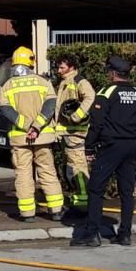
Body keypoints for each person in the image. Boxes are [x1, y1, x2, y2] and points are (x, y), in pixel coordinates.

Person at [71, 56, 136, 247]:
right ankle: (125, 234)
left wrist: (89, 146)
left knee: (96, 188)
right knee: (127, 192)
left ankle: (91, 234)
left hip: (112, 147)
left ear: (113, 74)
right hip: (131, 146)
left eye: (109, 71)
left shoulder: (106, 93)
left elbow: (96, 124)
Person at [0, 46, 65, 222]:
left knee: (23, 174)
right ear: (31, 63)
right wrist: (36, 127)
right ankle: (56, 210)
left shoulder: (6, 86)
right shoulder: (43, 83)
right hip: (42, 136)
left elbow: (6, 110)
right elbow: (50, 106)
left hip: (20, 139)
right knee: (47, 171)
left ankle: (27, 213)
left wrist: (26, 126)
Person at [54, 54, 95, 211]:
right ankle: (78, 200)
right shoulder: (66, 81)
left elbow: (90, 97)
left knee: (78, 168)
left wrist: (77, 116)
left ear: (71, 67)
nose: (59, 70)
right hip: (67, 134)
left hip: (76, 134)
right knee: (70, 168)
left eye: (62, 67)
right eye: (58, 67)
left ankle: (84, 203)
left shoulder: (79, 81)